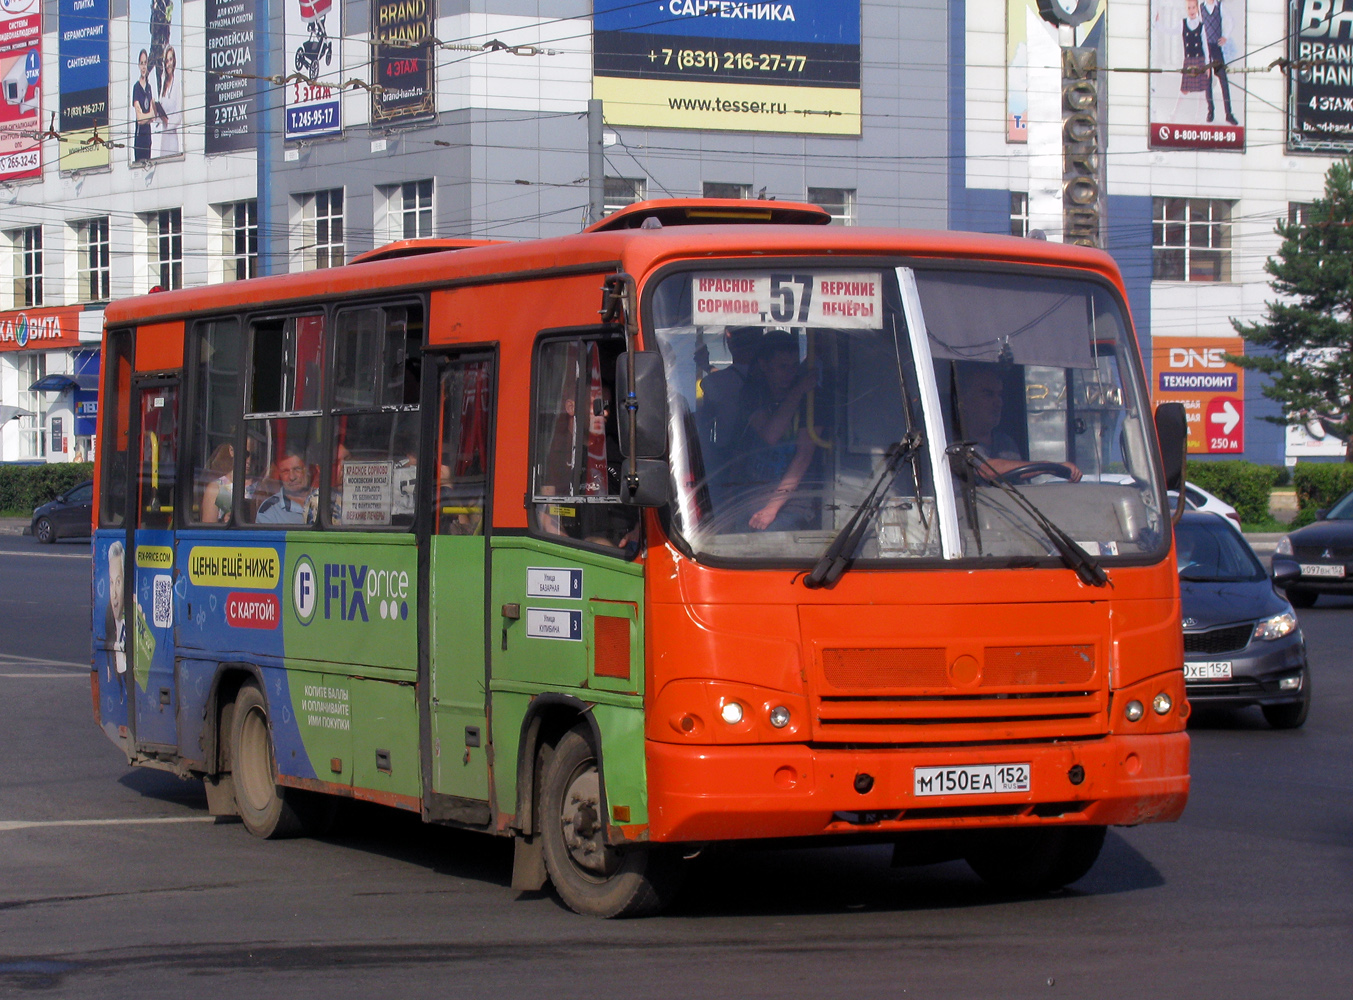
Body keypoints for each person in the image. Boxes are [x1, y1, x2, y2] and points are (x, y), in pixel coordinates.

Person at [734, 332, 820, 531]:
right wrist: (797, 391)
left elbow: (803, 458)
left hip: (792, 505)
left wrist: (771, 509)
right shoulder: (753, 393)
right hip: (750, 498)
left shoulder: (813, 400)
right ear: (764, 365)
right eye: (782, 367)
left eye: (793, 367)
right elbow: (770, 434)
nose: (790, 374)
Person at [954, 364, 1082, 482]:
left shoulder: (1005, 443)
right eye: (988, 394)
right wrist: (1050, 466)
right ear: (964, 401)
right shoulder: (954, 443)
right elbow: (986, 470)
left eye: (999, 395)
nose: (998, 402)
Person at [1199, 0, 1238, 126]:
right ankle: (1210, 111)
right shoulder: (1201, 8)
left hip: (1216, 48)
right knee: (1207, 81)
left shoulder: (1220, 6)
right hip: (1206, 47)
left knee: (1223, 81)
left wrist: (1225, 36)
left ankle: (1228, 114)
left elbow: (1231, 21)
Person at [255, 447, 317, 524]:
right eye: (285, 471)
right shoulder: (269, 512)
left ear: (307, 470)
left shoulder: (328, 500)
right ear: (279, 475)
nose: (292, 477)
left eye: (297, 469)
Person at [105, 540, 127, 694]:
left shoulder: (138, 621)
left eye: (118, 582)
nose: (113, 594)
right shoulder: (108, 621)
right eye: (111, 583)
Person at [152, 45, 181, 157]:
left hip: (172, 136)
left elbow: (179, 115)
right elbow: (160, 114)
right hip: (163, 137)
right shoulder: (164, 84)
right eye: (166, 60)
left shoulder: (178, 83)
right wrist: (155, 110)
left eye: (170, 59)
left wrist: (167, 121)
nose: (168, 63)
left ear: (174, 61)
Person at [131, 50, 154, 162]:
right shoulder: (136, 88)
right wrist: (148, 116)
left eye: (145, 63)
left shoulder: (149, 88)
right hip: (140, 138)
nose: (143, 66)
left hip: (148, 138)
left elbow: (153, 116)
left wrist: (148, 116)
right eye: (141, 63)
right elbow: (139, 119)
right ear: (138, 65)